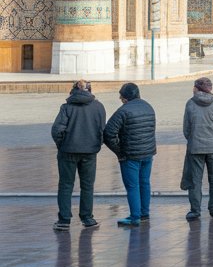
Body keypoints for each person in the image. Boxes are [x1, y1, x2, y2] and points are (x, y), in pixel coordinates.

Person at [50, 80, 105, 231]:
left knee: (66, 185)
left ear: (73, 90)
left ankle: (64, 220)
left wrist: (62, 145)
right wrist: (96, 145)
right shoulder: (99, 107)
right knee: (87, 186)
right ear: (90, 90)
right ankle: (87, 218)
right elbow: (102, 130)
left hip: (68, 151)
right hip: (89, 152)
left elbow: (57, 130)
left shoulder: (66, 107)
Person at [102, 83, 157, 227]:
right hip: (148, 153)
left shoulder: (123, 111)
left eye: (121, 96)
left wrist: (119, 151)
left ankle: (135, 217)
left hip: (130, 155)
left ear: (125, 98)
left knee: (132, 186)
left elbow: (108, 133)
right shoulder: (149, 107)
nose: (120, 98)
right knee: (144, 183)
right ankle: (144, 213)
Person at [182, 76, 213, 221]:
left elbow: (186, 129)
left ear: (196, 88)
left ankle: (195, 210)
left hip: (196, 148)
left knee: (195, 181)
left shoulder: (190, 104)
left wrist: (194, 138)